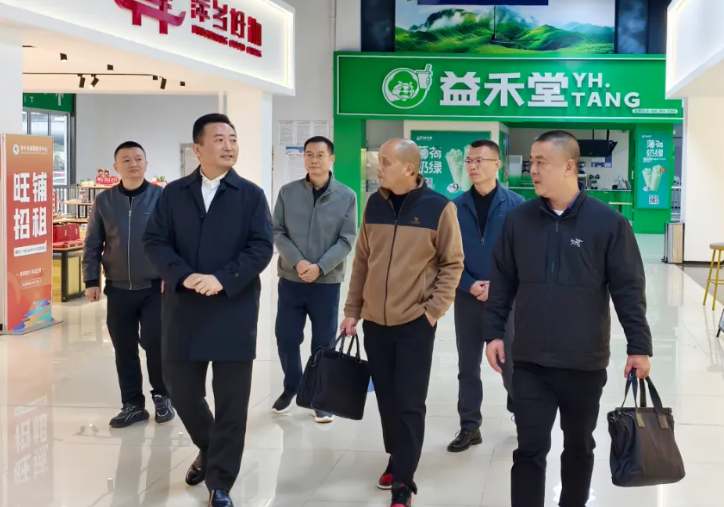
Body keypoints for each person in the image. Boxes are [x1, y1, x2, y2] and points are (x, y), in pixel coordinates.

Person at [483, 130, 653, 507]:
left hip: (583, 362)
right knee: (529, 449)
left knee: (578, 447)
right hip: (529, 361)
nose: (533, 170)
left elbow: (628, 288)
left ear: (569, 166)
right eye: (531, 162)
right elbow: (503, 280)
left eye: (541, 162)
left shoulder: (608, 223)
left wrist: (639, 346)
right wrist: (493, 332)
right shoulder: (519, 220)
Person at [142, 113, 273, 507]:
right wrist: (184, 276)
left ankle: (220, 482)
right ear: (197, 149)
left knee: (232, 402)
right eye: (219, 139)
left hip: (233, 308)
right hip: (184, 308)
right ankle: (210, 447)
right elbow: (155, 242)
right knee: (180, 391)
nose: (229, 145)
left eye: (233, 138)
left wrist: (222, 278)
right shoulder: (173, 193)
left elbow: (261, 247)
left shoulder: (250, 194)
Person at [340, 138, 464, 507]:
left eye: (384, 161)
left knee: (409, 401)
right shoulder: (373, 204)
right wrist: (352, 310)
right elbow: (362, 260)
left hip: (414, 323)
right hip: (375, 322)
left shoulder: (439, 208)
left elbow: (453, 263)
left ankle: (403, 482)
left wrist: (432, 312)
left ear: (409, 168)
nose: (376, 166)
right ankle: (397, 456)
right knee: (387, 398)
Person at [82, 141, 175, 429]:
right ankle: (133, 405)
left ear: (146, 164)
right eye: (126, 160)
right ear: (116, 167)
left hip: (154, 287)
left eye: (138, 159)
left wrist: (170, 274)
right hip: (118, 288)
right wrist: (91, 280)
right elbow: (93, 242)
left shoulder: (162, 197)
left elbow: (175, 241)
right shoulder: (104, 201)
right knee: (124, 349)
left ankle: (162, 397)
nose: (133, 164)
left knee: (156, 344)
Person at [271, 136, 357, 423]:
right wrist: (299, 262)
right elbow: (278, 231)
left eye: (320, 154)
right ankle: (292, 385)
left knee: (323, 343)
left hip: (326, 282)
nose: (314, 159)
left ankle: (319, 397)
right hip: (291, 279)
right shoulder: (288, 192)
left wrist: (320, 267)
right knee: (286, 337)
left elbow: (347, 239)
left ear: (331, 159)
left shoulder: (347, 196)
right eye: (309, 154)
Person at [448, 139, 523, 453]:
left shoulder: (517, 205)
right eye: (469, 161)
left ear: (497, 165)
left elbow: (524, 255)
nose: (473, 166)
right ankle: (469, 425)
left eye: (480, 160)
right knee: (468, 365)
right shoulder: (453, 207)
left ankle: (522, 413)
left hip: (504, 300)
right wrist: (468, 284)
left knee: (510, 362)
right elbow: (445, 256)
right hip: (467, 298)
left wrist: (498, 285)